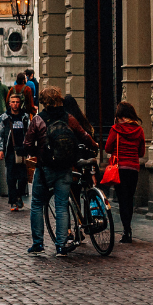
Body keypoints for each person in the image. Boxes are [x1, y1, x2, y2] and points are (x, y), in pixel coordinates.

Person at [24, 87, 98, 256]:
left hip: (45, 168)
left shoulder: (38, 120)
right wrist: (94, 145)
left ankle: (38, 244)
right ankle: (61, 246)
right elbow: (83, 135)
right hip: (65, 168)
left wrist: (38, 153)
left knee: (36, 204)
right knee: (62, 206)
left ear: (43, 101)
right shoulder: (68, 118)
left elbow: (27, 144)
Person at [104, 101, 147, 243]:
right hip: (133, 168)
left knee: (122, 200)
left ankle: (126, 230)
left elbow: (107, 148)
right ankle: (128, 228)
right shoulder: (139, 130)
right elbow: (141, 152)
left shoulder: (115, 129)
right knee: (129, 198)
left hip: (119, 168)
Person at [0, 89, 34, 212]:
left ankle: (19, 195)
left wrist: (30, 148)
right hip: (10, 150)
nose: (15, 104)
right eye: (12, 102)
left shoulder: (24, 117)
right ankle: (13, 201)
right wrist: (0, 149)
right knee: (11, 177)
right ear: (9, 104)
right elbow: (0, 134)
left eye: (17, 102)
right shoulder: (4, 117)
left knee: (23, 177)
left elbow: (29, 133)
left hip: (22, 150)